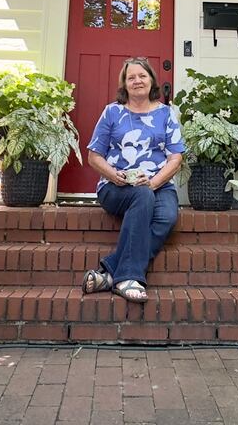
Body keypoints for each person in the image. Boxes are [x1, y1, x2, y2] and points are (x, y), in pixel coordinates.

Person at [80, 56, 184, 303]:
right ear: (124, 85)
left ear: (152, 80)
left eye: (142, 76)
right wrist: (114, 176)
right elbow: (94, 156)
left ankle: (109, 272)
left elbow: (176, 158)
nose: (137, 81)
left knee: (167, 216)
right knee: (141, 195)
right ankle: (128, 278)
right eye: (131, 77)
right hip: (115, 187)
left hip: (157, 184)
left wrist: (154, 183)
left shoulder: (166, 114)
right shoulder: (112, 112)